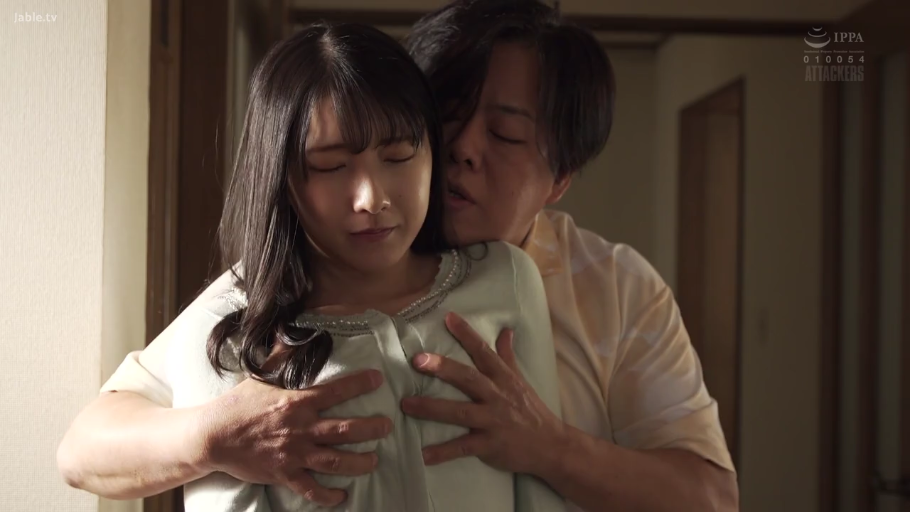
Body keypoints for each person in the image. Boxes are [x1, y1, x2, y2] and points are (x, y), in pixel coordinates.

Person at [59, 1, 739, 511]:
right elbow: (87, 448)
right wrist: (212, 434)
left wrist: (551, 448)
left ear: (560, 179)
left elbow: (709, 497)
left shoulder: (612, 286)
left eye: (505, 135)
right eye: (445, 118)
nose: (462, 149)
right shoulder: (275, 288)